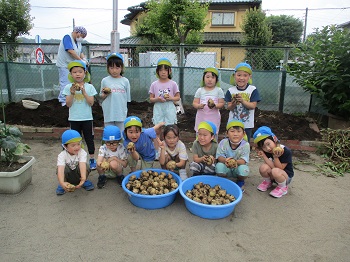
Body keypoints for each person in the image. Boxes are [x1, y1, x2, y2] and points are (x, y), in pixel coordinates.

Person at [62, 60, 97, 170]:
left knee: (89, 139)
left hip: (87, 118)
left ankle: (92, 159)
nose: (77, 74)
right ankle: (75, 159)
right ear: (71, 74)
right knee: (74, 141)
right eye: (75, 72)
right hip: (74, 119)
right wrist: (72, 93)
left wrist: (84, 92)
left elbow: (91, 103)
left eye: (80, 72)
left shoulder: (90, 87)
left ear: (85, 73)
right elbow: (68, 104)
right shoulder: (68, 87)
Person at [253, 126, 294, 198]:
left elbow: (279, 168)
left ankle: (283, 187)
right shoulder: (267, 151)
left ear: (274, 139)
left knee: (275, 171)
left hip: (285, 176)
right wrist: (263, 155)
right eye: (263, 147)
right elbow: (269, 165)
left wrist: (275, 157)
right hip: (274, 173)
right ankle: (268, 182)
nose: (268, 148)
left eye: (268, 144)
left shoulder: (286, 151)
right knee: (263, 167)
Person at [225, 62, 261, 141]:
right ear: (234, 76)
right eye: (239, 75)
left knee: (245, 144)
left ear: (249, 77)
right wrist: (234, 103)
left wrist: (242, 101)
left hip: (246, 125)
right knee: (231, 143)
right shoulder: (230, 90)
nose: (241, 78)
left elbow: (253, 106)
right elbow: (229, 107)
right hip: (232, 124)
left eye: (245, 75)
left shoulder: (252, 90)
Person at [149, 58, 180, 143]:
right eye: (161, 70)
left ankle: (170, 146)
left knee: (170, 129)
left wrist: (170, 98)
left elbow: (178, 97)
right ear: (157, 71)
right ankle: (157, 148)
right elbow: (151, 99)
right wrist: (157, 99)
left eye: (165, 70)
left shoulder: (173, 84)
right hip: (158, 108)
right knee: (158, 129)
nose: (163, 72)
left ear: (170, 71)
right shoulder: (154, 84)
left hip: (169, 107)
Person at [56, 26, 88, 106]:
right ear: (78, 33)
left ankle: (71, 98)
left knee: (72, 82)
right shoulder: (67, 37)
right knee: (65, 82)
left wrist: (84, 59)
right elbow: (71, 51)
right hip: (64, 64)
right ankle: (63, 101)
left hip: (72, 66)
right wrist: (80, 61)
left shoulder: (78, 42)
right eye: (82, 36)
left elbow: (80, 52)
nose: (81, 38)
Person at [56, 130, 94, 195]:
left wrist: (83, 178)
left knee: (86, 166)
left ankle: (83, 181)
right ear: (65, 146)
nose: (77, 147)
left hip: (78, 175)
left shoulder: (82, 152)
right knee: (61, 169)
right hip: (68, 176)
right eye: (73, 145)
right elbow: (60, 169)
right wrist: (62, 182)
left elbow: (82, 165)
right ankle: (64, 183)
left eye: (78, 144)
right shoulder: (62, 155)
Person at [215, 120, 250, 191]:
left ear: (244, 134)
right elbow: (219, 156)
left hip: (238, 167)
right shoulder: (223, 142)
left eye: (238, 131)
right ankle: (224, 181)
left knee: (244, 169)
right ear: (227, 133)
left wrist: (234, 161)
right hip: (226, 167)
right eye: (232, 131)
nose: (235, 134)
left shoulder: (246, 145)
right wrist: (225, 160)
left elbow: (243, 160)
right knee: (219, 166)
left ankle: (240, 181)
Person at [100, 53, 131, 132]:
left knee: (121, 133)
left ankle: (121, 145)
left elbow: (127, 99)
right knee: (109, 132)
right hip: (109, 112)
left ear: (121, 68)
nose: (114, 70)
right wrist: (105, 94)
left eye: (117, 68)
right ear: (108, 68)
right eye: (111, 68)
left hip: (121, 113)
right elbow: (101, 96)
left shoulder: (125, 81)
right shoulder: (105, 80)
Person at [193, 67, 225, 140]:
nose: (210, 79)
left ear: (216, 80)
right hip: (201, 117)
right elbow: (194, 103)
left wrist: (215, 105)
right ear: (203, 78)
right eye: (207, 77)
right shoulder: (200, 90)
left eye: (213, 77)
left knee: (212, 134)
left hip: (213, 118)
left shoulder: (218, 90)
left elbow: (222, 103)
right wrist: (199, 106)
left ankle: (213, 149)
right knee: (200, 134)